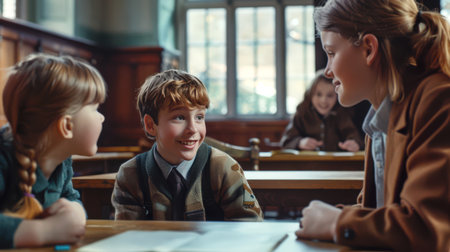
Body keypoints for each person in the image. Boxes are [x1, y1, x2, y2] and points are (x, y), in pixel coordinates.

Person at [296, 0, 450, 251]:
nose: (327, 71)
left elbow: (429, 229)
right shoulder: (382, 117)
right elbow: (380, 210)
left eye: (332, 53)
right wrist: (328, 219)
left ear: (368, 48)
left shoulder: (439, 101)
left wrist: (336, 222)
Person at [111, 69, 263, 221]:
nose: (193, 129)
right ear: (151, 125)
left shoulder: (223, 167)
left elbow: (249, 226)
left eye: (199, 117)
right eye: (179, 117)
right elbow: (128, 236)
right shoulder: (131, 174)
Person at [0, 54, 107, 248]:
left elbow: (70, 197)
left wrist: (76, 211)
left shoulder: (62, 160)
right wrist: (43, 232)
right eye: (95, 108)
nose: (102, 118)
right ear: (66, 125)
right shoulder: (4, 157)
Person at [280, 69, 362, 152]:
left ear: (337, 97)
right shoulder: (302, 113)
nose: (323, 100)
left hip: (335, 163)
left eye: (330, 95)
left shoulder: (342, 114)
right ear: (310, 94)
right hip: (307, 164)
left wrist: (354, 144)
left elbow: (355, 138)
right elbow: (285, 141)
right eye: (318, 94)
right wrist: (300, 142)